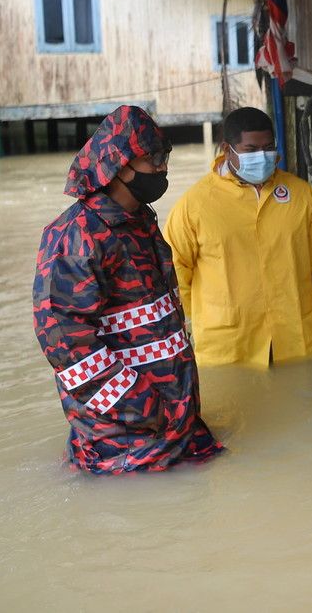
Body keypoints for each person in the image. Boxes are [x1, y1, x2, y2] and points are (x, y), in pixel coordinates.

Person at [32, 105, 223, 475]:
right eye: (152, 158)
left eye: (164, 156)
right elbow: (68, 347)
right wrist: (148, 409)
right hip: (126, 441)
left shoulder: (140, 221)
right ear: (120, 166)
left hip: (174, 424)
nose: (162, 168)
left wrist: (175, 410)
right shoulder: (76, 236)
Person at [162, 107, 312, 367]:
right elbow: (174, 272)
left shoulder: (302, 195)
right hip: (227, 345)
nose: (262, 156)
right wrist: (192, 322)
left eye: (268, 147)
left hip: (296, 336)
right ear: (227, 149)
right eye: (251, 150)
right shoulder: (195, 204)